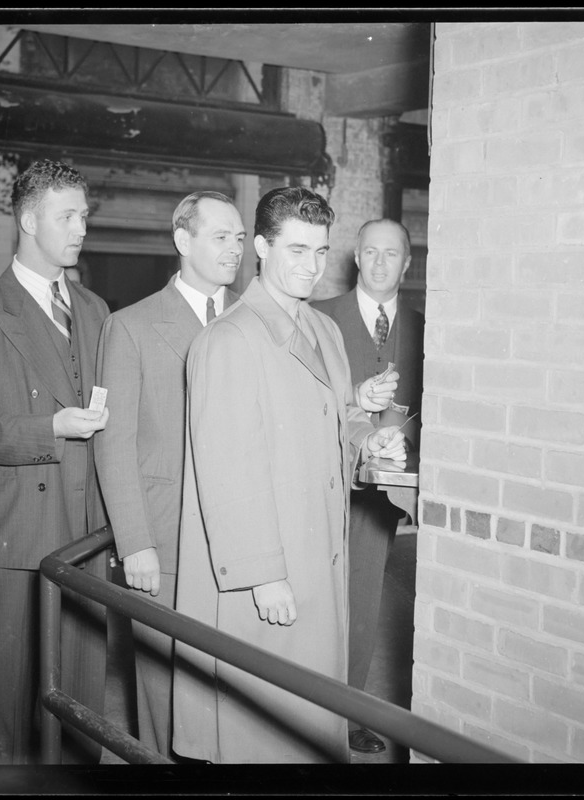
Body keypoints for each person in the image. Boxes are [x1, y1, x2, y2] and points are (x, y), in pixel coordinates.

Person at [172, 186, 407, 764]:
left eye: (321, 251)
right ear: (260, 247)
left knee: (310, 722)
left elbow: (339, 416)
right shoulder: (229, 340)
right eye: (295, 250)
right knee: (267, 733)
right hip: (270, 569)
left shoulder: (321, 328)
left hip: (319, 552)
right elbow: (225, 468)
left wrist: (366, 438)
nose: (310, 266)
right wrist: (262, 575)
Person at [0, 159, 110, 764]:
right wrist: (51, 428)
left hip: (87, 530)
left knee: (84, 692)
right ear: (28, 220)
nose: (81, 227)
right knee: (11, 693)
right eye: (68, 215)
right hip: (17, 530)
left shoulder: (93, 310)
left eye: (85, 215)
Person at [95, 190, 244, 755]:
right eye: (220, 237)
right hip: (168, 542)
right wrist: (134, 542)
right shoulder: (130, 326)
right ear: (183, 241)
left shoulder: (255, 321)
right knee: (163, 691)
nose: (234, 250)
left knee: (229, 689)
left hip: (240, 541)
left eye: (238, 237)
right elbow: (115, 445)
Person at [311, 218, 425, 754]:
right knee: (315, 597)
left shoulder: (426, 329)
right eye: (371, 252)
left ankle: (349, 709)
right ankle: (303, 705)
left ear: (408, 263)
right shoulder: (318, 319)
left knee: (363, 602)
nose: (381, 263)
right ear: (356, 257)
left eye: (392, 254)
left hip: (384, 495)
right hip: (323, 483)